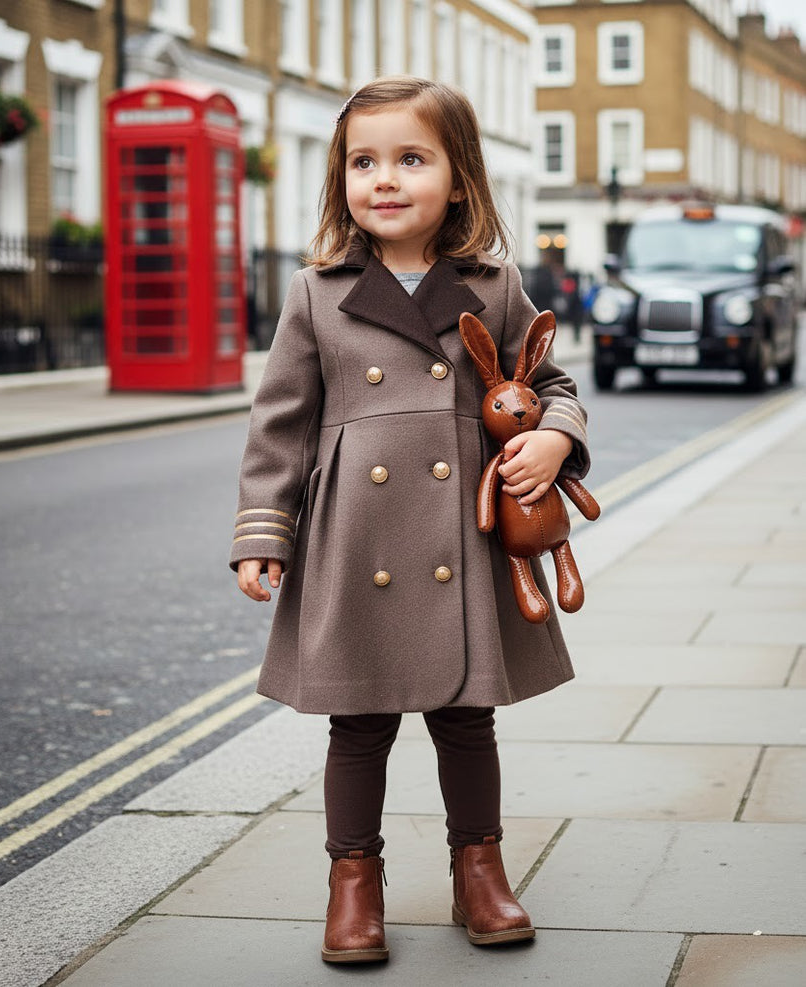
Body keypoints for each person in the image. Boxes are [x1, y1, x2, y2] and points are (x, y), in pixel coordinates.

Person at [230, 76, 590, 965]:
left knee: (468, 715)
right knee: (358, 721)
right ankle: (353, 883)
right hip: (357, 541)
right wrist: (262, 532)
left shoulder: (493, 283)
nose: (383, 179)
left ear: (458, 178)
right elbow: (279, 423)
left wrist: (553, 441)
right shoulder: (316, 293)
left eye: (410, 159)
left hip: (460, 543)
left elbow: (552, 385)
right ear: (341, 179)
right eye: (363, 161)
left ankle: (481, 869)